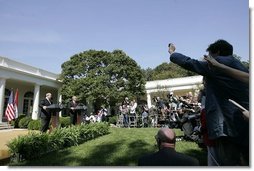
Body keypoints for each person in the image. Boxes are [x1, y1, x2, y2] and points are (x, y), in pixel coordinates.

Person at [168, 40, 249, 166]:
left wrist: (172, 53)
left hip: (227, 126)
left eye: (210, 55)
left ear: (217, 52)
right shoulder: (240, 66)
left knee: (228, 163)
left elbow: (189, 62)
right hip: (245, 122)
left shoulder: (219, 63)